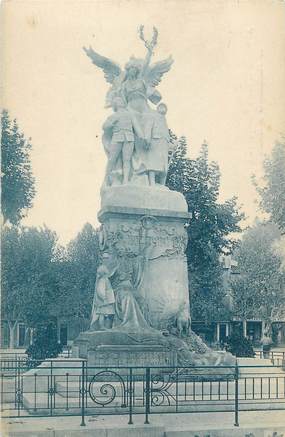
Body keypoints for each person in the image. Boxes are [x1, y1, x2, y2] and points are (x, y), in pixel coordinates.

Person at [102, 96, 144, 186]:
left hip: (129, 138)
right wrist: (111, 123)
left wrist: (142, 136)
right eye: (117, 101)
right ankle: (106, 180)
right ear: (115, 105)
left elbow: (136, 126)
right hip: (117, 137)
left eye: (120, 100)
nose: (119, 102)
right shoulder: (113, 116)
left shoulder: (130, 114)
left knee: (127, 160)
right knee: (112, 159)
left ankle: (125, 180)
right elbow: (105, 126)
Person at [90, 265, 115, 330]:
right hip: (105, 301)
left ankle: (106, 326)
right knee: (102, 314)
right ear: (104, 272)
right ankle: (102, 326)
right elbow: (100, 290)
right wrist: (103, 297)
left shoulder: (104, 279)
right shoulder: (103, 280)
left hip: (107, 300)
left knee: (106, 314)